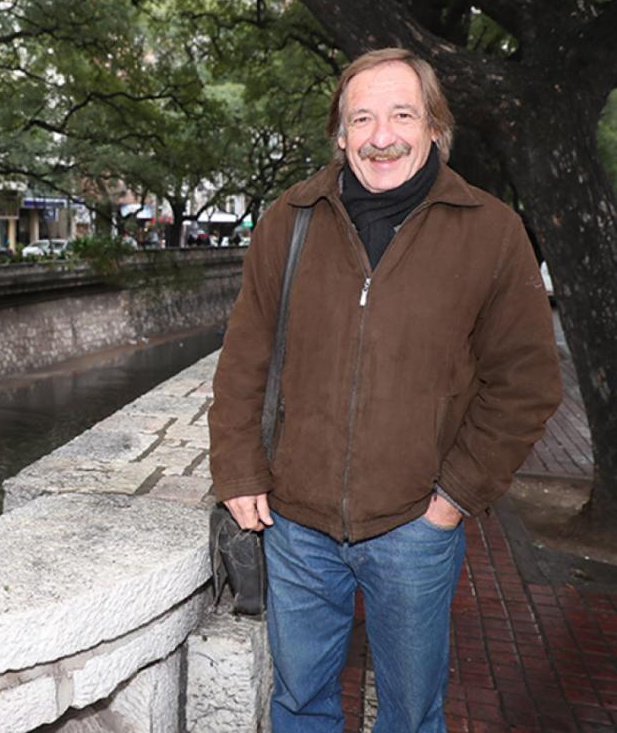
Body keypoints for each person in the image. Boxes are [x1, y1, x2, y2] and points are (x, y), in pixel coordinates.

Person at [208, 48, 562, 733]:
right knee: (300, 702)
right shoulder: (290, 219)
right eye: (361, 118)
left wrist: (452, 500)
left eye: (403, 114)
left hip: (415, 529)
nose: (382, 135)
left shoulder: (491, 230)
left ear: (435, 127)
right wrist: (239, 469)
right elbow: (245, 355)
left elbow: (526, 383)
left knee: (409, 712)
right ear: (340, 135)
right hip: (296, 524)